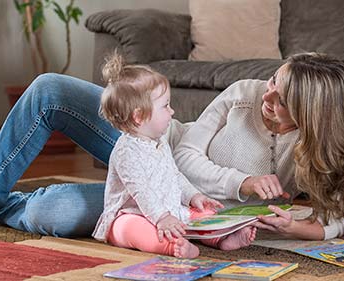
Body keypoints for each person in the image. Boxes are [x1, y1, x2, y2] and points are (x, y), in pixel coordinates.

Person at [0, 52, 344, 240]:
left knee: (49, 211)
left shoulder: (320, 144)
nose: (266, 98)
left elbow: (337, 217)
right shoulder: (245, 93)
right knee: (50, 90)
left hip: (177, 205)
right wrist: (244, 182)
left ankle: (0, 207)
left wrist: (296, 228)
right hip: (151, 145)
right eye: (273, 81)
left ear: (311, 116)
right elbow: (185, 156)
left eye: (280, 100)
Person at [93, 54, 257, 258]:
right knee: (131, 229)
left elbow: (174, 175)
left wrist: (194, 196)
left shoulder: (160, 143)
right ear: (139, 116)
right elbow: (141, 191)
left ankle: (220, 238)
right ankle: (172, 247)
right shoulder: (127, 152)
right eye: (165, 106)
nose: (171, 111)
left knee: (205, 214)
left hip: (167, 210)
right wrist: (161, 217)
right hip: (134, 214)